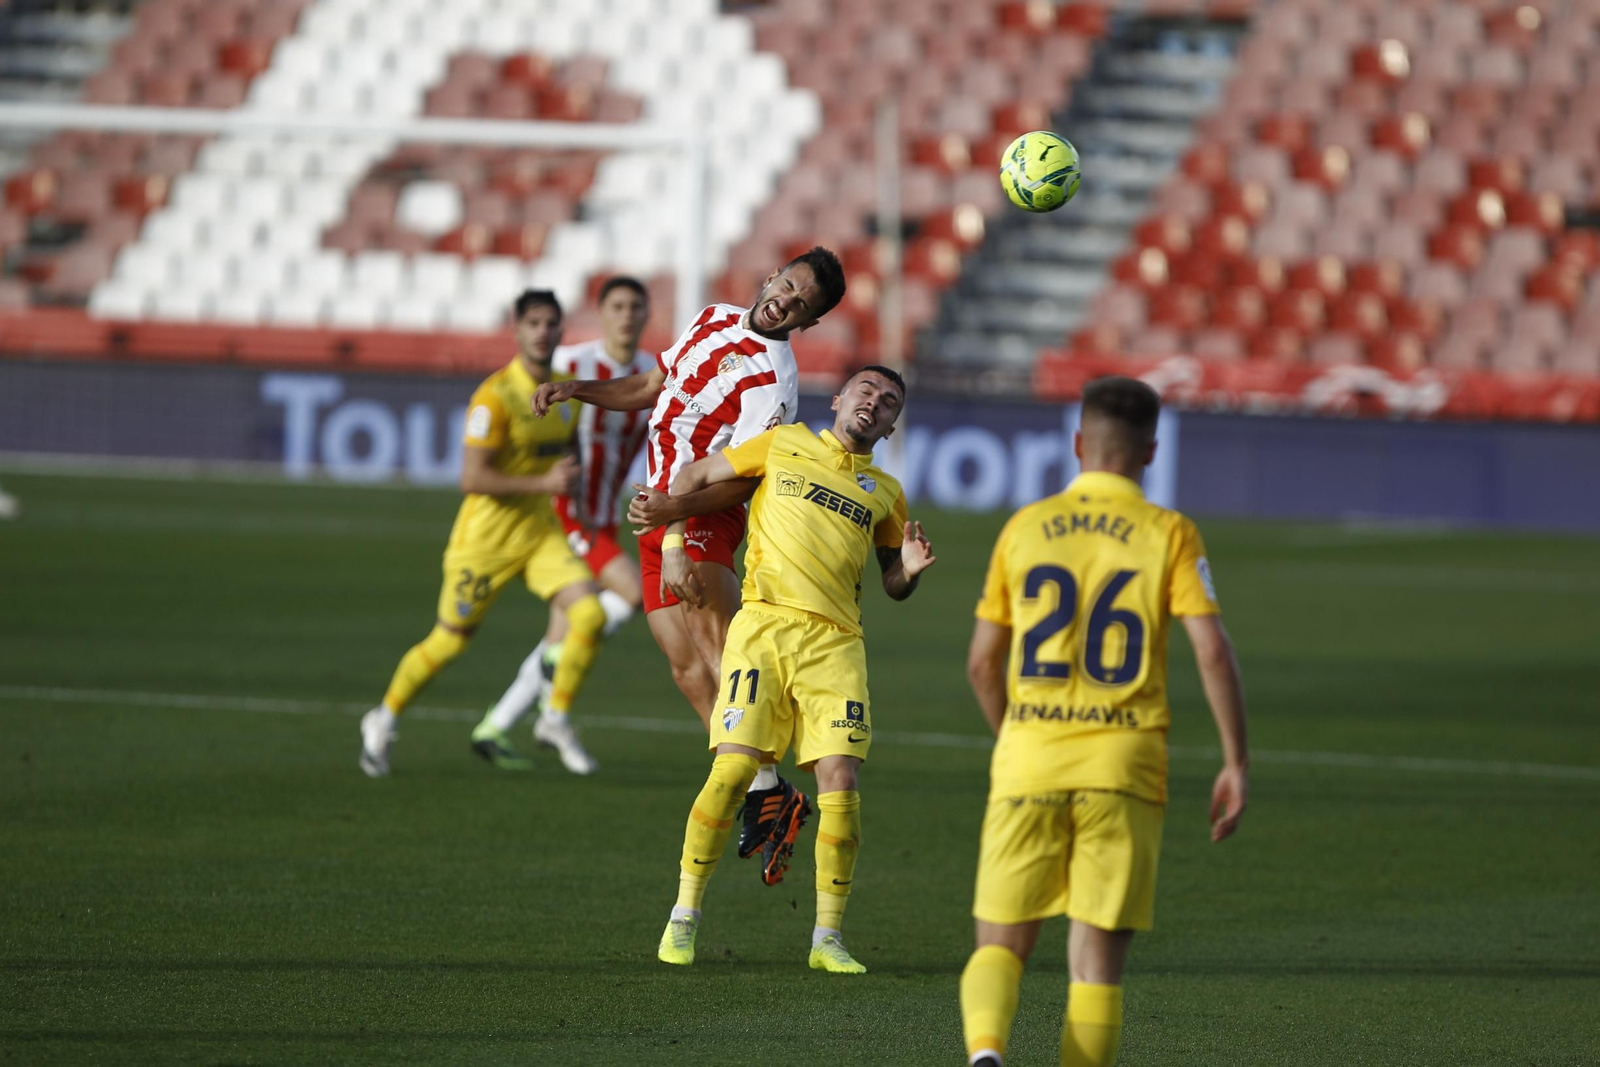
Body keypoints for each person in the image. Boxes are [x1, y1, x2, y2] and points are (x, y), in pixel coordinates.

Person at [958, 376, 1249, 1067]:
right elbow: (1210, 648)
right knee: (1095, 966)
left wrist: (1017, 738)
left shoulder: (1024, 526)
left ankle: (987, 1050)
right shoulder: (1168, 532)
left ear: (1078, 443)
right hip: (1124, 767)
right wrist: (1236, 761)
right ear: (1150, 450)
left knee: (999, 942)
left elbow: (979, 664)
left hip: (1029, 755)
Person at [533, 247, 848, 876]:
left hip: (699, 512)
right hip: (658, 509)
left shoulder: (774, 379)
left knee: (715, 645)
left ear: (806, 322)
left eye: (802, 303)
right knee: (686, 668)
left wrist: (677, 513)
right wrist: (579, 390)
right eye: (788, 284)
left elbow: (743, 479)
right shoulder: (711, 317)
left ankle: (765, 780)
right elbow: (651, 386)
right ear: (771, 277)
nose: (786, 299)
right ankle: (768, 792)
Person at [648, 366, 935, 974]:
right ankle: (682, 918)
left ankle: (827, 939)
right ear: (838, 399)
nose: (874, 404)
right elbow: (694, 474)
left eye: (888, 403)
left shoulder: (885, 491)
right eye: (865, 391)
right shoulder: (784, 442)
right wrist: (673, 545)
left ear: (890, 427)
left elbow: (891, 584)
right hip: (764, 627)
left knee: (842, 783)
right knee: (731, 771)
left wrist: (906, 570)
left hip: (837, 646)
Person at [358, 290, 606, 778]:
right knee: (450, 641)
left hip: (538, 535)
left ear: (561, 331)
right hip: (485, 543)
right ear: (516, 328)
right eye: (533, 322)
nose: (542, 332)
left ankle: (553, 717)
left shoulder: (563, 395)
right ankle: (383, 718)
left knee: (590, 613)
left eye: (550, 323)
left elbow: (567, 458)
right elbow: (471, 479)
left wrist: (569, 490)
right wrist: (545, 483)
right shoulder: (494, 398)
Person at [472, 276, 655, 769]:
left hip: (603, 514)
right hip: (565, 515)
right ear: (600, 312)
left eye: (636, 306)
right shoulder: (573, 365)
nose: (626, 315)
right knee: (632, 595)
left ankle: (496, 725)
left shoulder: (651, 372)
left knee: (563, 635)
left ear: (646, 314)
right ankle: (553, 714)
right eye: (616, 306)